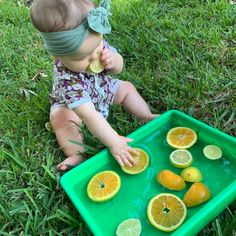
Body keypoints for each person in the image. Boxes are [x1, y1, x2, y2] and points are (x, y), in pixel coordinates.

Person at [30, 0, 159, 171]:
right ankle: (76, 153)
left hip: (104, 89)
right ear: (57, 55)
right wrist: (114, 142)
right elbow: (88, 114)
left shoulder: (95, 44)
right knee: (61, 119)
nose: (94, 57)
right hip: (74, 106)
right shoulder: (67, 80)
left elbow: (119, 68)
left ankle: (146, 116)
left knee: (126, 88)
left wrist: (114, 61)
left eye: (97, 47)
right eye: (83, 57)